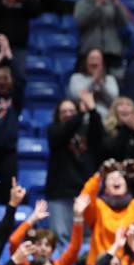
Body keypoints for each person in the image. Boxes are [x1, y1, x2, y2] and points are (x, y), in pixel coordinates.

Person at [80, 158, 134, 265]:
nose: (116, 180)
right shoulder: (98, 206)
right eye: (111, 178)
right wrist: (99, 176)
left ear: (126, 184)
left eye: (120, 177)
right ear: (105, 188)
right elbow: (84, 200)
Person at [46, 94, 103, 244]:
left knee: (87, 239)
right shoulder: (53, 130)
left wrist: (92, 110)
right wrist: (80, 114)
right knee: (60, 238)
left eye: (71, 111)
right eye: (63, 112)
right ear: (57, 115)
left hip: (85, 194)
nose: (67, 114)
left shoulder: (86, 132)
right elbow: (63, 134)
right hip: (60, 194)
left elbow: (99, 134)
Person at [8, 196, 88, 265]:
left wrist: (78, 217)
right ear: (31, 248)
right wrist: (32, 219)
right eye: (39, 244)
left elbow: (75, 247)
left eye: (47, 245)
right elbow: (14, 240)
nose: (43, 248)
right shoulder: (22, 264)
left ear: (53, 250)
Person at [74, 0, 127, 73]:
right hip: (89, 51)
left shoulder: (111, 4)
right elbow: (80, 21)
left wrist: (116, 1)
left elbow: (123, 21)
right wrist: (97, 4)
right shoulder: (83, 3)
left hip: (111, 51)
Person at [0, 62, 22, 204]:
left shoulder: (15, 99)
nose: (2, 82)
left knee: (9, 189)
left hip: (8, 151)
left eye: (6, 78)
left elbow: (21, 81)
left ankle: (9, 218)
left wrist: (10, 59)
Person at [99, 97, 134, 166]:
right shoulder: (107, 130)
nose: (125, 107)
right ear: (115, 111)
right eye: (121, 105)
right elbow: (113, 154)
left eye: (128, 105)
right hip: (114, 173)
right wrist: (126, 127)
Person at [67, 47, 119, 120]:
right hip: (84, 118)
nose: (94, 61)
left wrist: (102, 86)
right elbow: (76, 97)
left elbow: (114, 101)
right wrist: (93, 81)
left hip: (106, 118)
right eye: (92, 58)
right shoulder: (76, 78)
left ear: (102, 63)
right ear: (86, 62)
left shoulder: (110, 79)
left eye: (97, 58)